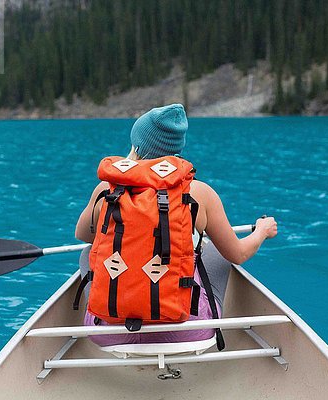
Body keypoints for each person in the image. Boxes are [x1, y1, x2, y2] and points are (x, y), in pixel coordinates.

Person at [75, 103, 278, 346]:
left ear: (137, 146)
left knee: (89, 253)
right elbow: (238, 254)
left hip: (109, 335)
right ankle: (206, 317)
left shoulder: (106, 190)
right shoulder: (200, 193)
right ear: (177, 149)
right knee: (215, 252)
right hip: (186, 332)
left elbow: (82, 234)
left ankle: (102, 314)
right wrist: (262, 231)